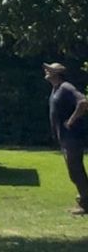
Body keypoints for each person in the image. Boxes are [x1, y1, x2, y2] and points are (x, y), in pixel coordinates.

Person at [44, 62, 88, 215]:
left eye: (49, 70)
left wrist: (71, 121)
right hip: (65, 137)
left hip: (73, 137)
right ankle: (84, 199)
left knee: (75, 169)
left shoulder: (66, 87)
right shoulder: (55, 89)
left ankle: (85, 202)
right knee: (73, 170)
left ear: (57, 73)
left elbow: (83, 102)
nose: (46, 71)